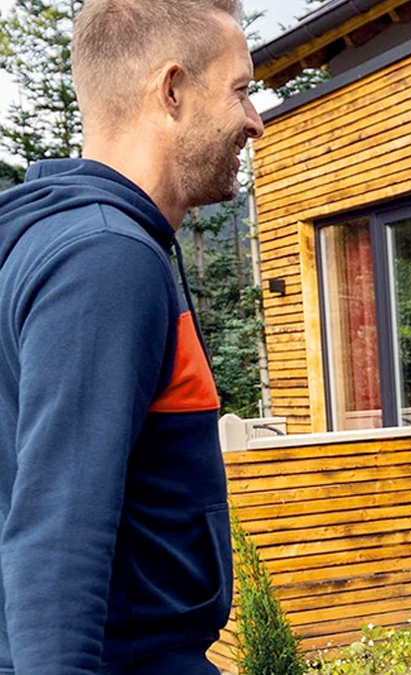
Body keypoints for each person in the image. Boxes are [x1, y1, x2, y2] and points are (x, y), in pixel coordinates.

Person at [0, 0, 264, 672]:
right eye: (240, 90)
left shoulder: (55, 242)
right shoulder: (105, 260)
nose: (254, 120)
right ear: (171, 90)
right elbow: (58, 533)